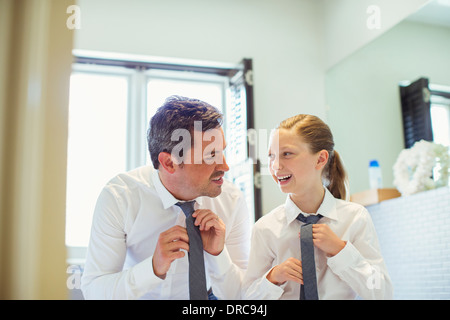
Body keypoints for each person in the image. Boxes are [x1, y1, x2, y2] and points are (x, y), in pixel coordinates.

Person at [81, 96, 251, 299]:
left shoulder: (231, 200)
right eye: (210, 155)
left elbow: (243, 296)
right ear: (169, 163)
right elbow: (94, 290)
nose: (225, 166)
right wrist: (153, 268)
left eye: (222, 152)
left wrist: (218, 255)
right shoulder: (120, 197)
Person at [243, 114, 393, 299]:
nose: (275, 166)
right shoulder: (265, 229)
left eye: (287, 154)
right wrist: (273, 278)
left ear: (320, 159)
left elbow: (382, 293)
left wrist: (340, 251)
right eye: (271, 156)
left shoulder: (355, 218)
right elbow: (247, 299)